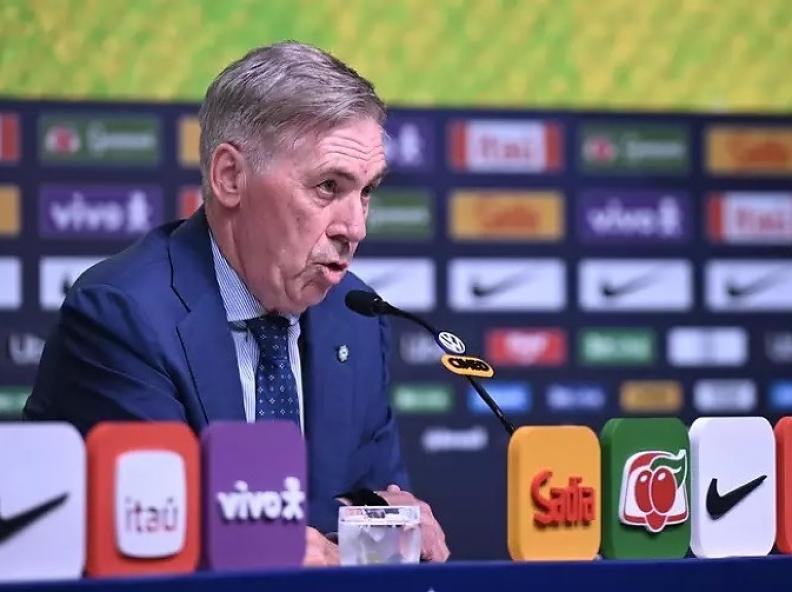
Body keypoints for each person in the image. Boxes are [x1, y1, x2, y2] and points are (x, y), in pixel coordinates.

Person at [24, 41, 449, 565]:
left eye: (366, 192)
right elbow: (159, 533)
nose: (355, 227)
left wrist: (376, 527)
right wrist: (329, 537)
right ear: (230, 177)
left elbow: (382, 512)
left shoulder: (354, 317)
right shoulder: (123, 317)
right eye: (328, 186)